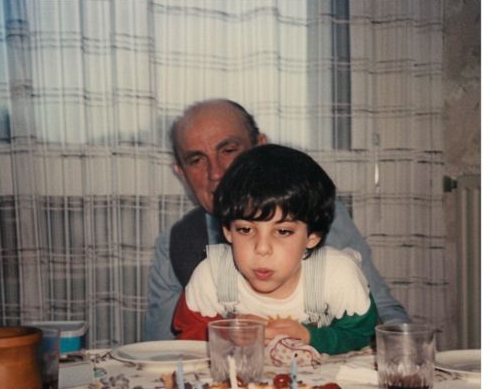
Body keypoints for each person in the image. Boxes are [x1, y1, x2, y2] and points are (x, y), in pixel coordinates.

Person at [144, 99, 409, 340]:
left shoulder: (309, 215)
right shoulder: (175, 243)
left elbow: (380, 313)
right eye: (196, 160)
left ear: (261, 147)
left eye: (228, 150)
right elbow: (164, 348)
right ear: (181, 172)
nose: (216, 173)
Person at [173, 144, 377, 355]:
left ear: (312, 236)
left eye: (282, 232)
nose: (262, 249)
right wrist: (226, 335)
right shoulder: (213, 275)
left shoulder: (336, 274)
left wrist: (312, 337)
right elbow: (186, 336)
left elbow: (364, 334)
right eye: (245, 229)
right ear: (228, 231)